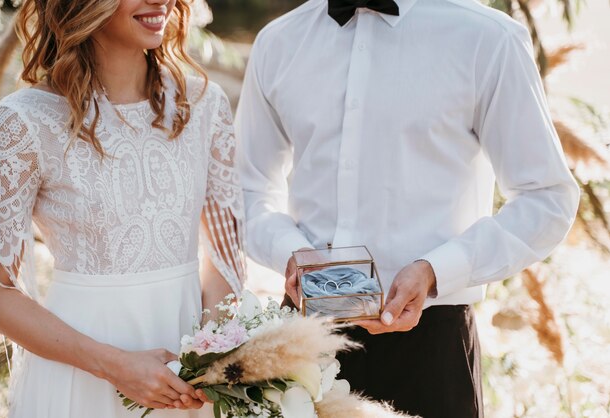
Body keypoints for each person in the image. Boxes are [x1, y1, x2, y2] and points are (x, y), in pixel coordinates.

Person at [235, 0, 580, 416]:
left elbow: (547, 196)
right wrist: (290, 252)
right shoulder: (278, 42)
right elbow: (246, 191)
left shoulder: (488, 39)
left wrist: (438, 269)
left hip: (431, 352)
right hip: (300, 347)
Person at [0, 0, 246, 416]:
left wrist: (208, 357)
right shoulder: (24, 120)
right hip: (81, 375)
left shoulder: (204, 104)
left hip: (188, 381)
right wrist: (114, 366)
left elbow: (224, 255)